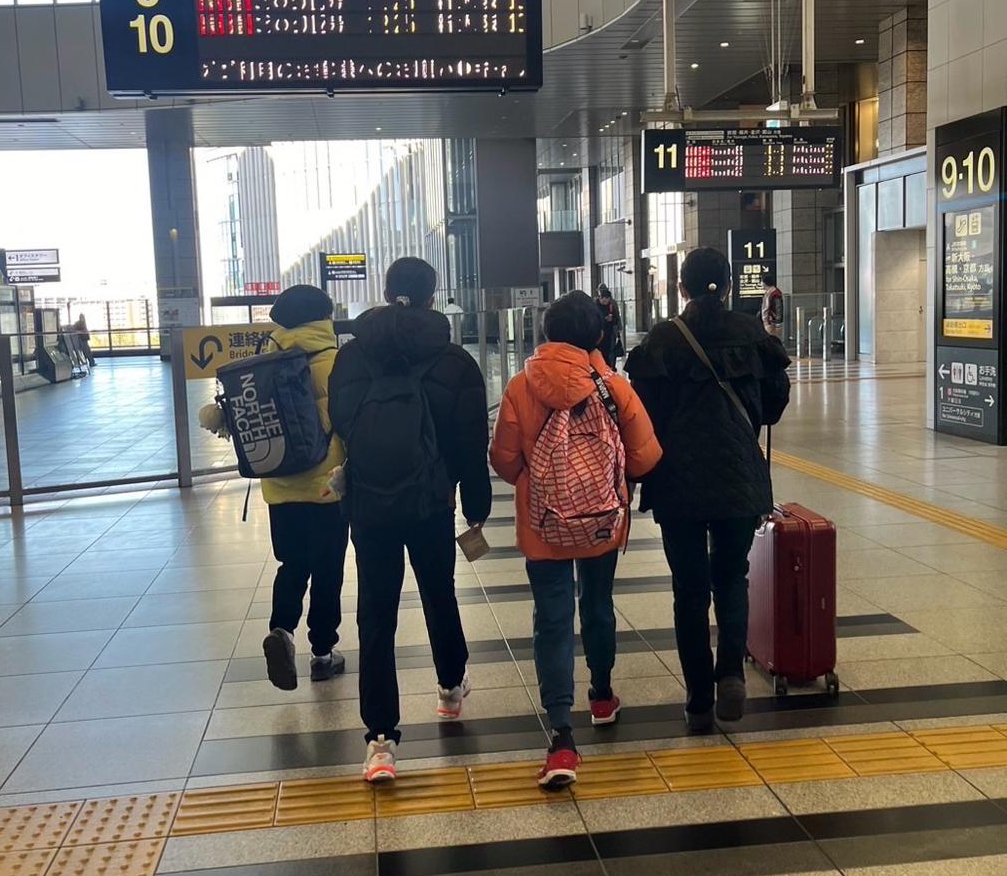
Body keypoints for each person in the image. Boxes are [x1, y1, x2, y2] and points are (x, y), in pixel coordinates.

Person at [490, 290, 662, 789]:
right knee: (598, 603)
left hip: (544, 524)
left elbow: (502, 460)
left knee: (552, 618)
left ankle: (562, 734)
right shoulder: (614, 386)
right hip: (601, 522)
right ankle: (602, 696)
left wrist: (537, 481)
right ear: (599, 335)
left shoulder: (521, 387)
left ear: (547, 334)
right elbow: (646, 457)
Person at [329, 257, 492, 783]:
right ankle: (449, 687)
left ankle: (380, 742)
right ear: (431, 296)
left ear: (386, 291)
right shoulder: (454, 361)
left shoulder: (351, 357)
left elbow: (342, 422)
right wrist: (475, 504)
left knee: (376, 613)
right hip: (430, 503)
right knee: (438, 593)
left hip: (370, 504)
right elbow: (471, 441)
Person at [625, 248, 791, 733]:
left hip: (678, 483)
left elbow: (644, 414)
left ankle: (698, 698)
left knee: (690, 588)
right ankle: (731, 673)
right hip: (738, 477)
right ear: (729, 284)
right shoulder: (751, 333)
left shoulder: (663, 338)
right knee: (732, 577)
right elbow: (774, 403)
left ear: (682, 288)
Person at [260, 285, 350, 691]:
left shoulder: (265, 363)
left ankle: (281, 630)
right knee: (328, 569)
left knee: (292, 564)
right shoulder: (337, 362)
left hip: (280, 487)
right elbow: (348, 424)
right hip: (327, 487)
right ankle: (323, 653)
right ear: (322, 318)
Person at [595, 285, 623, 368]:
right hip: (599, 331)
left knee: (610, 350)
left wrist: (618, 327)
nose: (605, 300)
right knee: (601, 350)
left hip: (610, 332)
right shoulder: (595, 304)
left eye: (606, 298)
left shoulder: (612, 304)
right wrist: (605, 319)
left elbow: (616, 316)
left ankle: (610, 366)